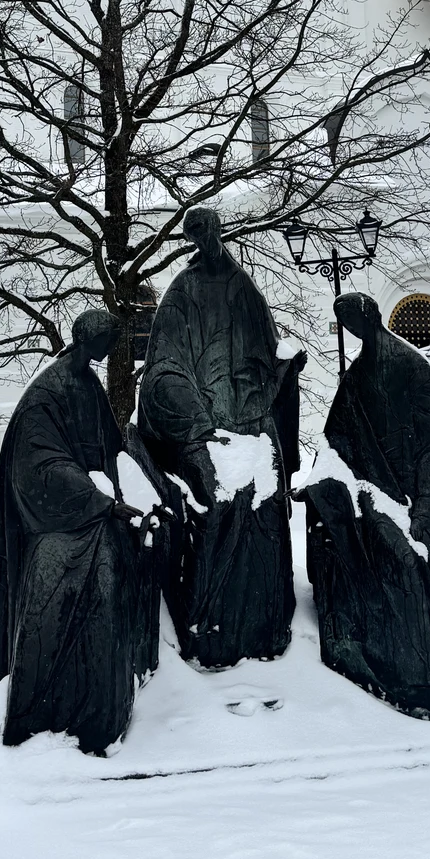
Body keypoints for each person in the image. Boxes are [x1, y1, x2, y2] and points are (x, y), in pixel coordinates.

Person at [304, 292, 430, 718]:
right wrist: (319, 478)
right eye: (345, 324)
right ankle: (399, 665)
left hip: (424, 500)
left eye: (353, 320)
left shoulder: (409, 365)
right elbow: (335, 435)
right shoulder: (357, 376)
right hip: (382, 493)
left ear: (371, 316)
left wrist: (427, 506)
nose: (351, 330)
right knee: (380, 555)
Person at [138, 207, 305, 668]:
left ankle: (265, 621)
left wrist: (282, 370)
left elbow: (268, 349)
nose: (207, 238)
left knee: (267, 497)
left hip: (249, 419)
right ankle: (206, 620)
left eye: (210, 230)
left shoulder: (243, 287)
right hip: (202, 424)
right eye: (198, 232)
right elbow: (164, 365)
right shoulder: (181, 292)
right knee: (217, 496)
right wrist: (197, 419)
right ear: (192, 238)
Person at [0, 308, 165, 754]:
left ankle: (114, 693)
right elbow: (42, 466)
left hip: (90, 509)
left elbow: (109, 447)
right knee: (96, 580)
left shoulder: (86, 380)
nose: (114, 349)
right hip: (58, 520)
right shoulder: (48, 392)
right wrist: (102, 503)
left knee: (129, 558)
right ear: (90, 339)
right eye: (109, 339)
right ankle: (71, 710)